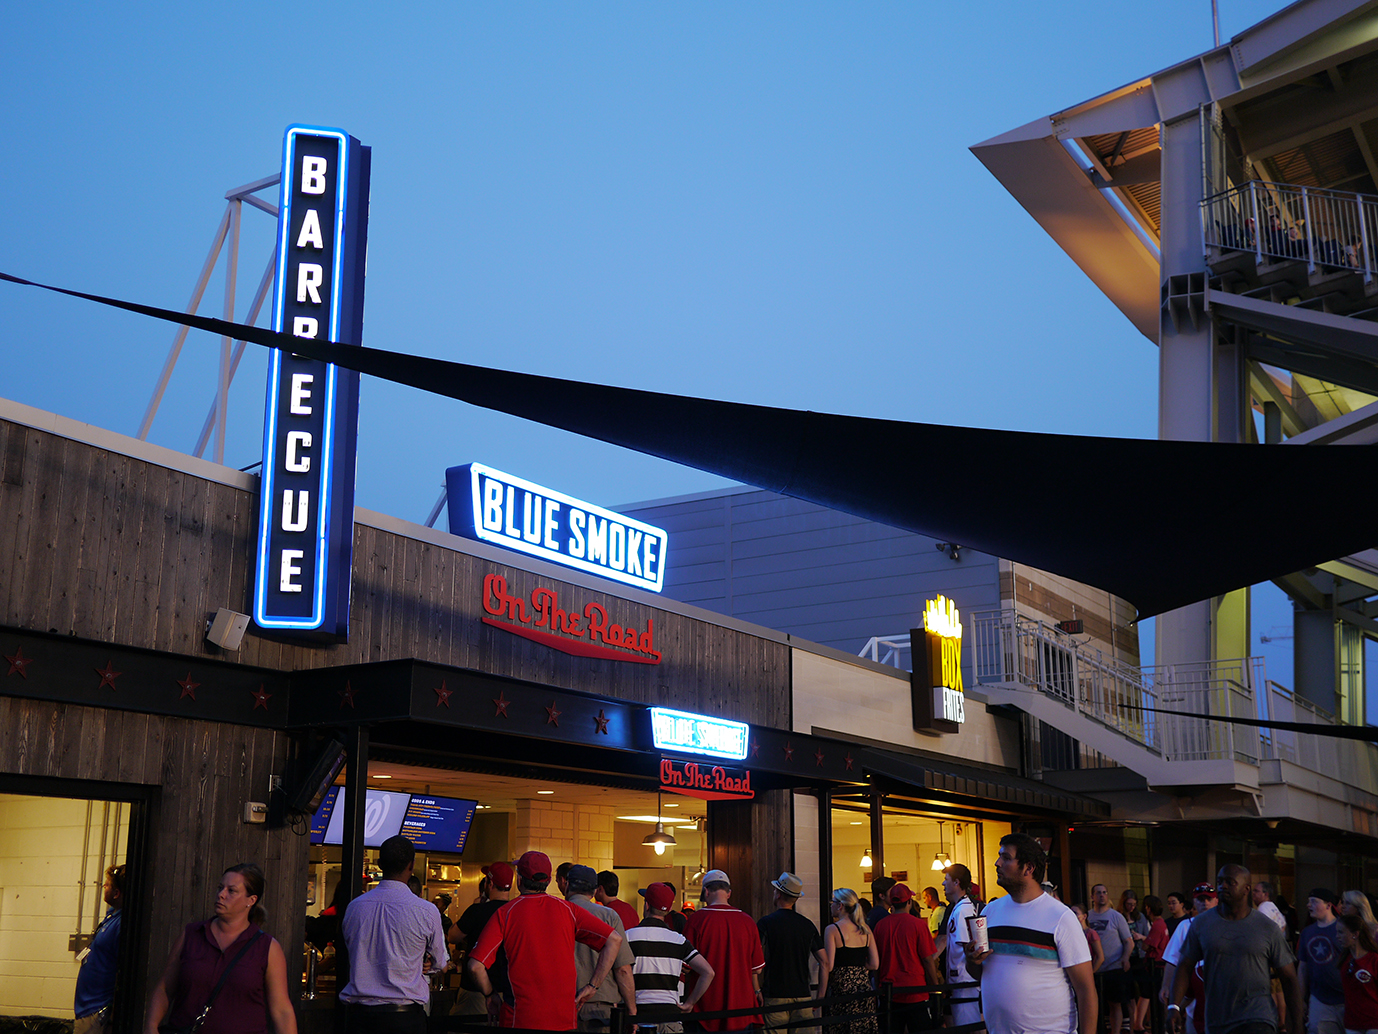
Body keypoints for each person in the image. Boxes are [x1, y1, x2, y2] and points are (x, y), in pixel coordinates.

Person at [467, 851, 623, 1031]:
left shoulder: (506, 913)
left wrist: (490, 995)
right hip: (563, 1021)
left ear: (519, 880)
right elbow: (614, 940)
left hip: (519, 1019)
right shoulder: (569, 910)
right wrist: (593, 986)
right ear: (548, 881)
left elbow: (475, 966)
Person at [143, 863, 297, 1034]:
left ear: (251, 900)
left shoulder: (267, 947)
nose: (221, 894)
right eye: (220, 888)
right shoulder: (192, 935)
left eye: (232, 891)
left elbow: (282, 1010)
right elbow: (165, 988)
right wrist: (151, 1027)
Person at [966, 833, 1095, 1034]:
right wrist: (972, 961)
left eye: (1006, 858)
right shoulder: (990, 912)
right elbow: (982, 974)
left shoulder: (1061, 917)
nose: (997, 863)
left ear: (1028, 868)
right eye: (999, 856)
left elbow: (1086, 990)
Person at [1167, 864, 1302, 1034]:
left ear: (1246, 889)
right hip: (1218, 1019)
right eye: (1220, 882)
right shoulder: (1202, 924)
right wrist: (1173, 1007)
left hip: (1258, 1017)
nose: (1223, 886)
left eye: (1230, 882)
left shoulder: (1266, 927)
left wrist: (1297, 1025)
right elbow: (1184, 966)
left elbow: (1289, 977)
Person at [336, 836, 448, 1033]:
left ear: (380, 864)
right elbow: (440, 963)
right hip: (405, 1018)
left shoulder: (355, 907)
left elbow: (349, 949)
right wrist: (425, 965)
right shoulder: (427, 911)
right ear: (411, 866)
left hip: (360, 1018)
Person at [626, 882, 716, 1033]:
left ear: (646, 905)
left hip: (637, 1018)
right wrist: (690, 1003)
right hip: (670, 1018)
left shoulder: (629, 937)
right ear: (668, 910)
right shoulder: (678, 940)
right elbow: (708, 972)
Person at [683, 869, 765, 1032]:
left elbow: (685, 967)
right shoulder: (748, 922)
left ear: (706, 892)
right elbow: (757, 968)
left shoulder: (696, 921)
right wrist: (757, 990)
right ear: (729, 893)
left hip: (705, 1009)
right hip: (742, 1008)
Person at [561, 864, 639, 1030]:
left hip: (561, 1005)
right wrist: (632, 1011)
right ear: (595, 890)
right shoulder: (608, 916)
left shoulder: (556, 913)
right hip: (599, 1010)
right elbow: (622, 969)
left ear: (567, 885)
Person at [757, 872, 827, 1034]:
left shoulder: (766, 923)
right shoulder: (807, 925)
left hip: (775, 994)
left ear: (779, 894)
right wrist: (820, 996)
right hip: (803, 995)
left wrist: (756, 990)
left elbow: (754, 959)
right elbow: (825, 961)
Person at [873, 883, 939, 1033]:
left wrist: (878, 987)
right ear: (909, 902)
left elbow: (876, 961)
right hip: (916, 992)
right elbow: (927, 959)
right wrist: (935, 987)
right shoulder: (919, 925)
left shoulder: (880, 926)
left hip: (889, 993)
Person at [1159, 883, 1218, 1034]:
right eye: (1201, 900)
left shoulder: (1225, 925)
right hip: (1192, 992)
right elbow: (1173, 959)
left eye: (1209, 899)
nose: (1205, 903)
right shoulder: (1185, 926)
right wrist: (1166, 985)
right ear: (1194, 902)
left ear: (1216, 901)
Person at [74, 864, 124, 1034]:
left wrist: (111, 1018)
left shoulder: (121, 924)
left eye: (107, 885)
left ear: (116, 893)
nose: (103, 886)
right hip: (87, 1009)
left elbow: (122, 972)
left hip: (99, 1010)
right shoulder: (111, 915)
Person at [933, 862, 983, 1031]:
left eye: (946, 879)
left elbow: (968, 947)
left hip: (963, 981)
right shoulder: (960, 907)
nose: (943, 883)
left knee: (966, 1028)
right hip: (962, 981)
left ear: (956, 882)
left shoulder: (962, 910)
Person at [823, 888, 879, 1034]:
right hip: (863, 987)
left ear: (840, 906)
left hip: (841, 988)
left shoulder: (832, 930)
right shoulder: (865, 929)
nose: (830, 905)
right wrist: (858, 967)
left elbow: (829, 965)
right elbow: (874, 964)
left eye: (832, 902)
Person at [1089, 883, 1134, 1034]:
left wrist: (1125, 958)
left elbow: (1128, 941)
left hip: (1114, 966)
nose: (1102, 895)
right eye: (1098, 893)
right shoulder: (1088, 916)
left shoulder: (1116, 916)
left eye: (1104, 892)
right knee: (1095, 1004)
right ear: (1092, 896)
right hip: (1094, 968)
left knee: (1115, 1003)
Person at [1299, 888, 1344, 1034]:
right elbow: (1303, 967)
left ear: (1328, 905)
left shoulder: (1342, 929)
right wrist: (1301, 998)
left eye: (1314, 901)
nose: (1309, 905)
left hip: (1346, 997)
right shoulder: (1307, 932)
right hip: (1319, 997)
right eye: (1308, 902)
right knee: (1316, 1029)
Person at [1337, 914, 1378, 1034]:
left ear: (1355, 934)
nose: (1337, 936)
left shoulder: (1374, 960)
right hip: (1352, 1021)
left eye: (1341, 932)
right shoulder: (1345, 959)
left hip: (1374, 1021)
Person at [1123, 890, 1152, 1034]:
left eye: (1134, 904)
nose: (1132, 907)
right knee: (1129, 992)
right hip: (1126, 957)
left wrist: (1140, 936)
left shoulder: (1140, 917)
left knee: (1144, 989)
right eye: (1129, 904)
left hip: (1140, 956)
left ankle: (1141, 1022)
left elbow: (1149, 936)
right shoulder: (1120, 917)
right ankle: (1133, 1022)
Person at [1142, 896, 1169, 1034]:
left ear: (1148, 908)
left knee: (1157, 1000)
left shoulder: (1157, 925)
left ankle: (1160, 1027)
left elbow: (1146, 946)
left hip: (1156, 966)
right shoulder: (1161, 924)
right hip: (1158, 965)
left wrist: (1143, 940)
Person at [1072, 905, 1106, 972]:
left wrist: (1091, 972)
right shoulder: (1072, 933)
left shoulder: (1091, 933)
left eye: (1075, 913)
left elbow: (1100, 957)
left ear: (1084, 916)